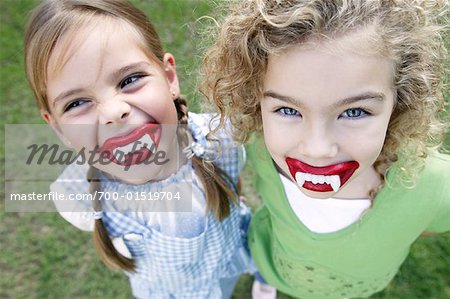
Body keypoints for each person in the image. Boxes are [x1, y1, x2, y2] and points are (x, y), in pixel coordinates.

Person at [202, 0, 450, 298]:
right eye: (287, 110)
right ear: (257, 100)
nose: (317, 150)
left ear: (401, 101)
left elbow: (427, 222)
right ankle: (266, 278)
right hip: (272, 260)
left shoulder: (433, 183)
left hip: (358, 287)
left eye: (355, 112)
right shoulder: (259, 147)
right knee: (267, 270)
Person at [24, 0, 253, 298]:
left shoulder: (218, 138)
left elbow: (232, 183)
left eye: (129, 80)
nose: (113, 112)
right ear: (57, 127)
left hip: (224, 264)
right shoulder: (77, 193)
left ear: (169, 78)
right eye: (77, 103)